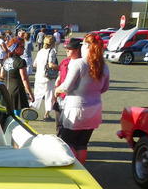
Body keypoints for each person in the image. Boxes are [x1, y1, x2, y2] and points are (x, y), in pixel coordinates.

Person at [54, 33, 110, 164]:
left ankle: (71, 169)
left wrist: (56, 90)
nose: (82, 46)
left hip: (76, 110)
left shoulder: (79, 63)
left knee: (68, 142)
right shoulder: (104, 66)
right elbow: (104, 88)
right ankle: (81, 168)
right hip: (94, 109)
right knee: (82, 143)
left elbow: (66, 87)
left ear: (88, 47)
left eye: (84, 44)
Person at [53, 38, 82, 134]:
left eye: (69, 49)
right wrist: (57, 85)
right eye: (66, 49)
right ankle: (59, 137)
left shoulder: (82, 64)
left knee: (70, 125)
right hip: (61, 96)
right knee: (59, 122)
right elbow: (60, 75)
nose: (66, 51)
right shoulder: (65, 62)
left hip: (73, 99)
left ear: (77, 50)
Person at [2, 36, 34, 116]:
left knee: (8, 115)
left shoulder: (6, 60)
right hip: (17, 91)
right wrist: (30, 93)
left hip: (6, 90)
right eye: (22, 46)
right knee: (16, 117)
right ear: (15, 48)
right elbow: (24, 79)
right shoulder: (20, 61)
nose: (24, 48)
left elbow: (2, 75)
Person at [31, 35, 58, 121]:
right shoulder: (52, 51)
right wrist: (59, 67)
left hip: (39, 76)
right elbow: (50, 64)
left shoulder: (40, 51)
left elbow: (34, 64)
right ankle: (46, 115)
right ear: (53, 43)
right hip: (48, 77)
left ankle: (30, 109)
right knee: (49, 95)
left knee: (37, 94)